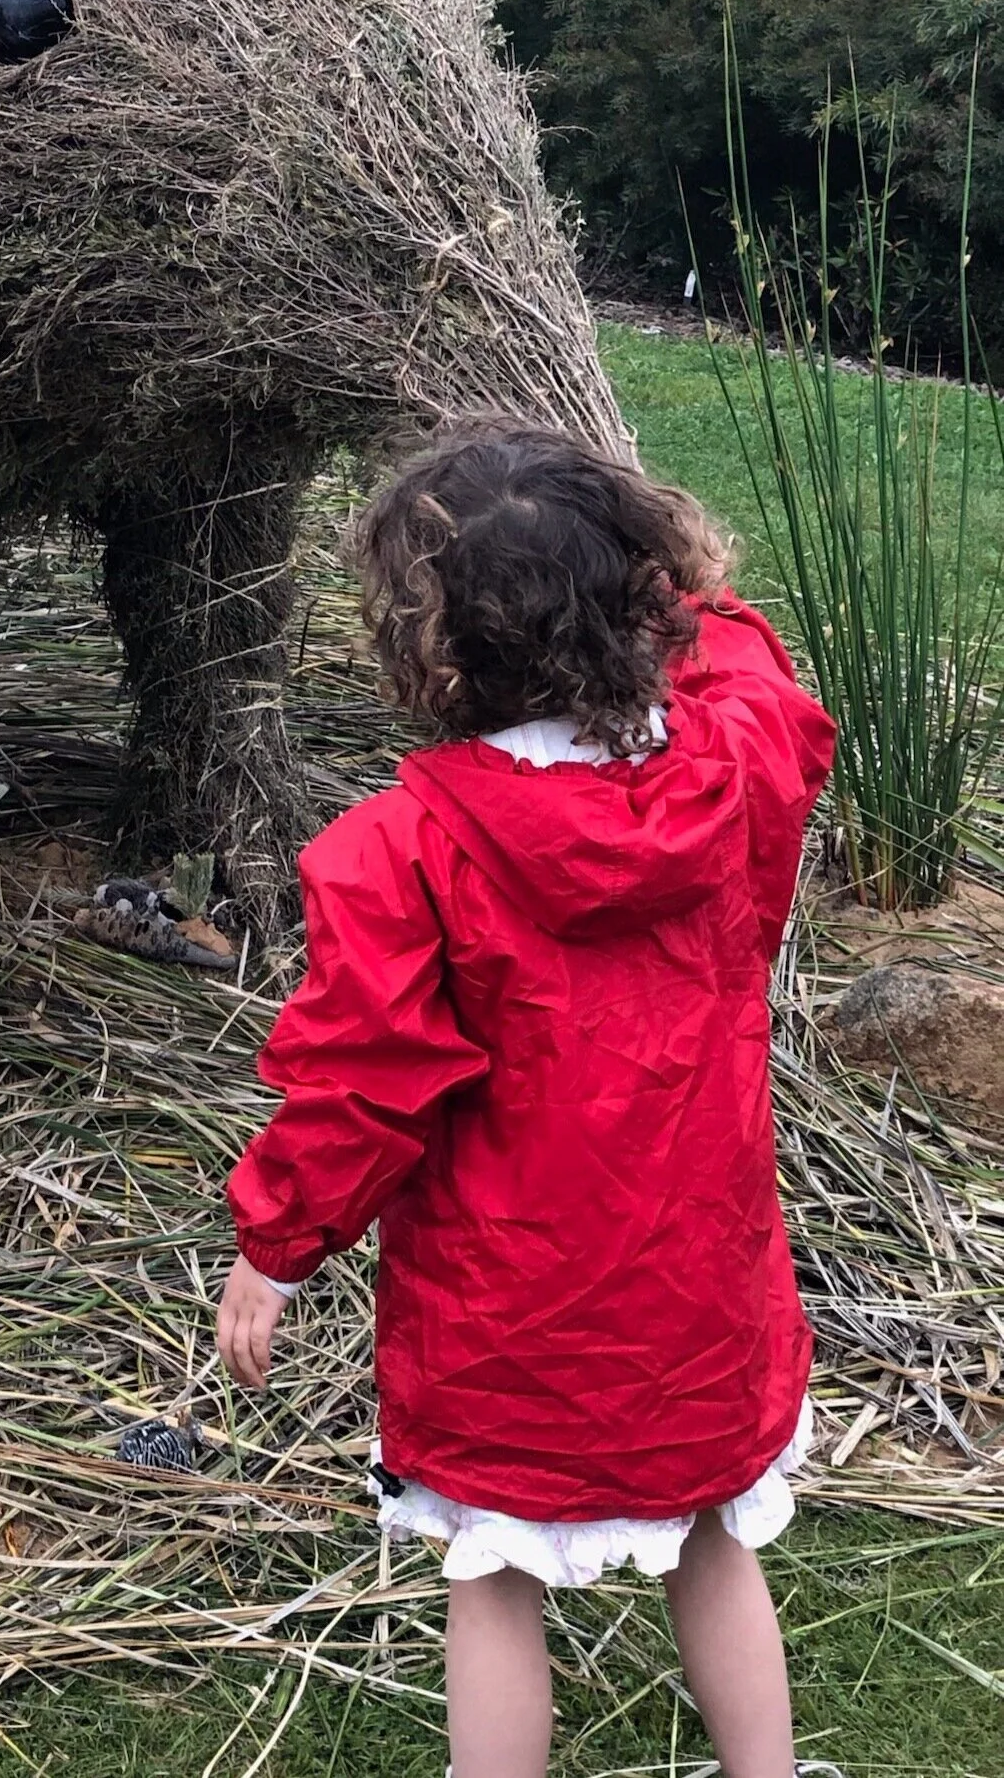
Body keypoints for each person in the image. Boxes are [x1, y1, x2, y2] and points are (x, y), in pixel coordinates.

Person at [214, 425, 835, 1778]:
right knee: (716, 1543)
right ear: (642, 590)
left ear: (428, 658)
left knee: (488, 1581)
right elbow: (743, 653)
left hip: (503, 1322)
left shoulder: (406, 850)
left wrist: (273, 1244)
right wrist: (647, 580)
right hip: (696, 1297)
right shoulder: (735, 767)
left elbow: (358, 1089)